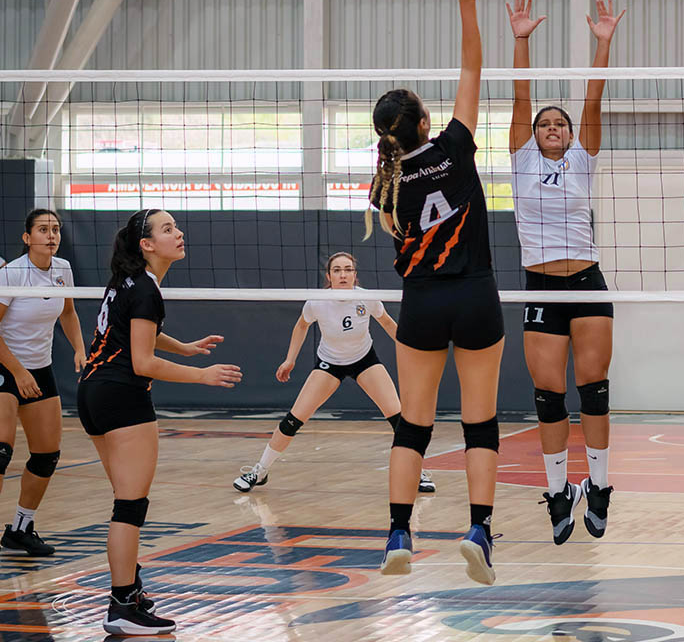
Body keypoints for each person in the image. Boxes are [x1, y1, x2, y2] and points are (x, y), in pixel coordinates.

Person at [366, 0, 505, 585]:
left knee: (413, 426)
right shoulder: (454, 147)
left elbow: (401, 237)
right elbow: (473, 67)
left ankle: (399, 532)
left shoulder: (383, 186)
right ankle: (477, 529)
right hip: (475, 296)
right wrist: (468, 3)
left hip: (420, 303)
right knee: (480, 422)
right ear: (425, 124)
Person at [79, 209, 241, 635]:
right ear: (146, 245)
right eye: (167, 229)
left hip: (93, 393)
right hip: (121, 397)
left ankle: (130, 592)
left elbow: (134, 331)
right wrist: (202, 375)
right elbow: (143, 359)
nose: (179, 232)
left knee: (124, 500)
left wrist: (184, 349)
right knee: (129, 506)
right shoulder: (147, 290)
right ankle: (121, 607)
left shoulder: (129, 282)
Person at [507, 0, 624, 544]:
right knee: (548, 396)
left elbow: (593, 103)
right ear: (532, 134)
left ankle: (597, 485)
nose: (553, 126)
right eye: (545, 124)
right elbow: (520, 94)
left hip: (586, 282)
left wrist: (602, 45)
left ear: (572, 135)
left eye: (561, 123)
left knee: (593, 388)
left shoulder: (582, 159)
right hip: (540, 285)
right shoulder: (522, 158)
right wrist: (522, 38)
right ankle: (558, 491)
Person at [232, 252, 434, 494]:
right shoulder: (317, 301)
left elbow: (389, 324)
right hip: (329, 363)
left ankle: (417, 471)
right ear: (329, 276)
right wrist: (290, 359)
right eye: (337, 270)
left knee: (398, 417)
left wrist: (411, 349)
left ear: (354, 275)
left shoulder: (366, 298)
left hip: (364, 360)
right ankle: (260, 471)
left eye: (348, 270)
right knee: (293, 420)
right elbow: (301, 325)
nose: (343, 275)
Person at [0, 209, 87, 556]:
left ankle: (21, 528)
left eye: (55, 229)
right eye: (42, 229)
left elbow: (67, 311)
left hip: (40, 368)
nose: (50, 235)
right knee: (1, 452)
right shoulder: (11, 274)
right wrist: (18, 372)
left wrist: (80, 348)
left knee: (47, 454)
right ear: (27, 238)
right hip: (6, 365)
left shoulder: (62, 268)